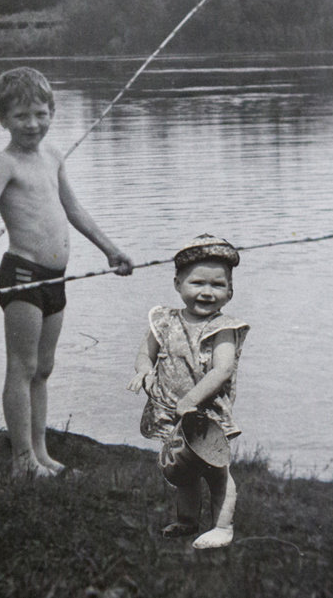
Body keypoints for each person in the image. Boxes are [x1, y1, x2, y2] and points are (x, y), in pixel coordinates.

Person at [0, 67, 134, 478]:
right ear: (3, 119)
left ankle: (40, 454)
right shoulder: (4, 164)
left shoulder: (55, 156)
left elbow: (74, 210)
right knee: (21, 367)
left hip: (55, 278)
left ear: (53, 112)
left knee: (43, 368)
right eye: (21, 116)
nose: (32, 124)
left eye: (41, 114)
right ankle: (20, 460)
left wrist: (110, 250)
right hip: (22, 274)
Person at [128, 234, 250, 549]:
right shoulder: (165, 321)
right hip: (171, 411)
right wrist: (143, 369)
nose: (207, 292)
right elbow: (147, 351)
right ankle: (187, 520)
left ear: (230, 291)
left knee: (216, 471)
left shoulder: (223, 329)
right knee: (183, 471)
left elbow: (221, 371)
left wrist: (191, 399)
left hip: (205, 413)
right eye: (197, 283)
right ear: (178, 283)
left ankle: (223, 527)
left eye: (218, 285)